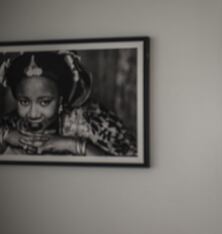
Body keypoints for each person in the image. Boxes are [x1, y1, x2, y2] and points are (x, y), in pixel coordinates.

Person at [0, 51, 137, 156]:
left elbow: (131, 165)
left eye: (44, 102)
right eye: (24, 101)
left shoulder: (92, 120)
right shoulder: (10, 124)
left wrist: (71, 144)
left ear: (61, 99)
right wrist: (5, 135)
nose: (33, 114)